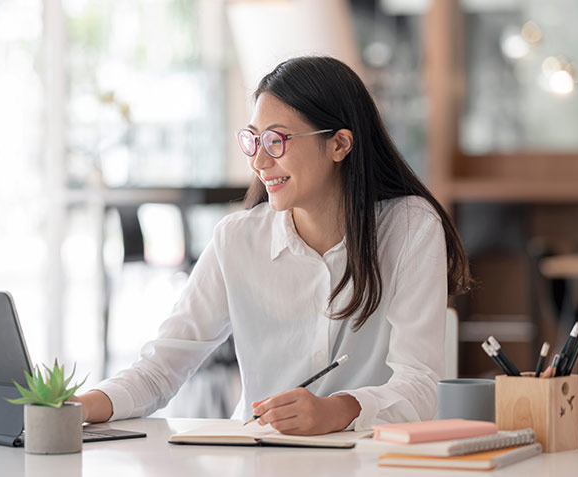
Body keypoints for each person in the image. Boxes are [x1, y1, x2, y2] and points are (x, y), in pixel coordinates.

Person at [72, 56, 472, 435]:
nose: (258, 162)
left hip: (368, 461)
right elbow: (161, 368)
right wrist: (79, 406)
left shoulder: (410, 228)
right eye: (253, 140)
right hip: (258, 456)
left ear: (339, 144)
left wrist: (337, 410)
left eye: (276, 140)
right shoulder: (236, 239)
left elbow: (420, 383)